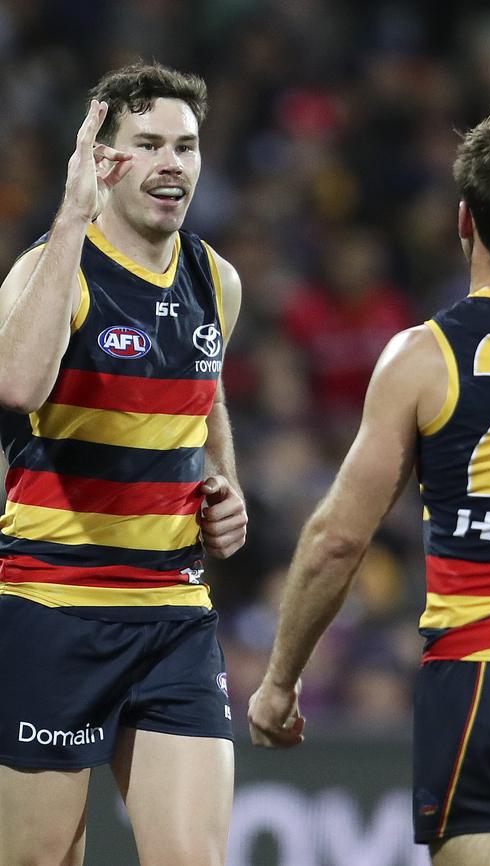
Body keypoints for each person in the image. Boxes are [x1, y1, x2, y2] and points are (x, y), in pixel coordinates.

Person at [248, 85, 490, 866]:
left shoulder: (422, 356)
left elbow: (338, 540)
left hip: (484, 676)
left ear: (464, 219)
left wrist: (279, 681)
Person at [0, 62, 247, 866]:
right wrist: (71, 221)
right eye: (147, 145)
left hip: (173, 613)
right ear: (103, 160)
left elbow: (205, 395)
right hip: (51, 606)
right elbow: (17, 382)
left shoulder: (218, 281)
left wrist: (227, 483)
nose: (172, 163)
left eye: (186, 145)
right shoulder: (48, 270)